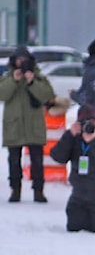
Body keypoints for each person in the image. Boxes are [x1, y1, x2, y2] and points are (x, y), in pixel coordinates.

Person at [0, 46, 55, 203]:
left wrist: (32, 82)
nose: (21, 62)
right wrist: (14, 81)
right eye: (18, 59)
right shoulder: (7, 77)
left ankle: (38, 190)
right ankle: (15, 190)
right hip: (14, 126)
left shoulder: (38, 77)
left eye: (24, 59)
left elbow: (47, 95)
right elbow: (2, 94)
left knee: (37, 161)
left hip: (34, 126)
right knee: (13, 160)